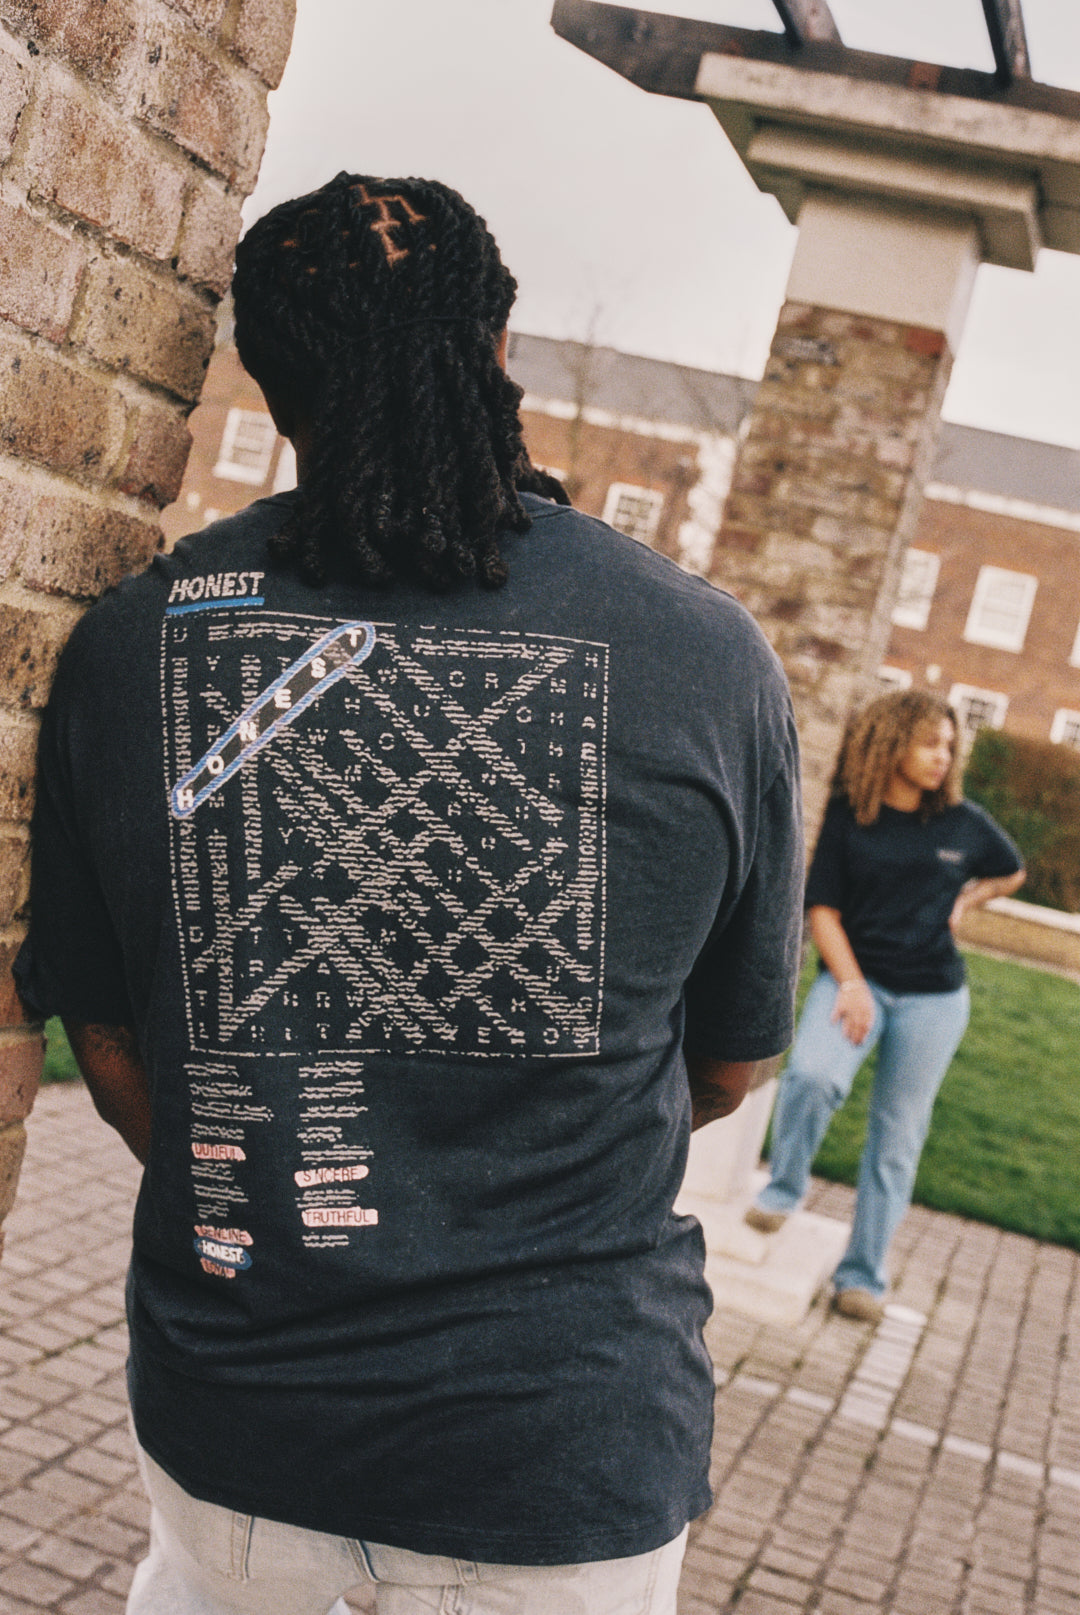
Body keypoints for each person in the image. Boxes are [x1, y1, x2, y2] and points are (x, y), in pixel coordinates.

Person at [15, 173, 805, 1615]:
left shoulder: (133, 651)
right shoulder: (704, 654)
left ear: (271, 378)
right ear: (500, 346)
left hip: (244, 1422)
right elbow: (732, 1063)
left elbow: (117, 1049)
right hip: (561, 1451)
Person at [745, 689, 1025, 1324]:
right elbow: (824, 911)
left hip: (934, 999)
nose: (941, 756)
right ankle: (785, 1188)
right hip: (854, 980)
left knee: (897, 1138)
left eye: (948, 746)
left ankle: (862, 1277)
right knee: (813, 1076)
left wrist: (966, 903)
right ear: (891, 742)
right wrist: (851, 985)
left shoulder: (963, 822)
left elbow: (1011, 870)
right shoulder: (851, 817)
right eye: (930, 742)